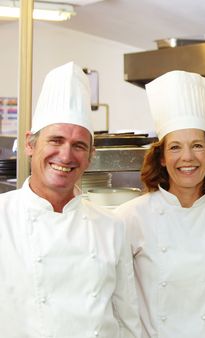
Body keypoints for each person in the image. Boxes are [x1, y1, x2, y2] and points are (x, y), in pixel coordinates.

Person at [0, 62, 141, 337]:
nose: (66, 156)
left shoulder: (111, 227)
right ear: (30, 144)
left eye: (78, 145)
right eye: (56, 140)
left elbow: (127, 321)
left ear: (90, 155)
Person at [114, 70, 205, 338]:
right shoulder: (130, 216)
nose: (187, 157)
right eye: (175, 147)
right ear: (161, 157)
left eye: (197, 145)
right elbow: (119, 299)